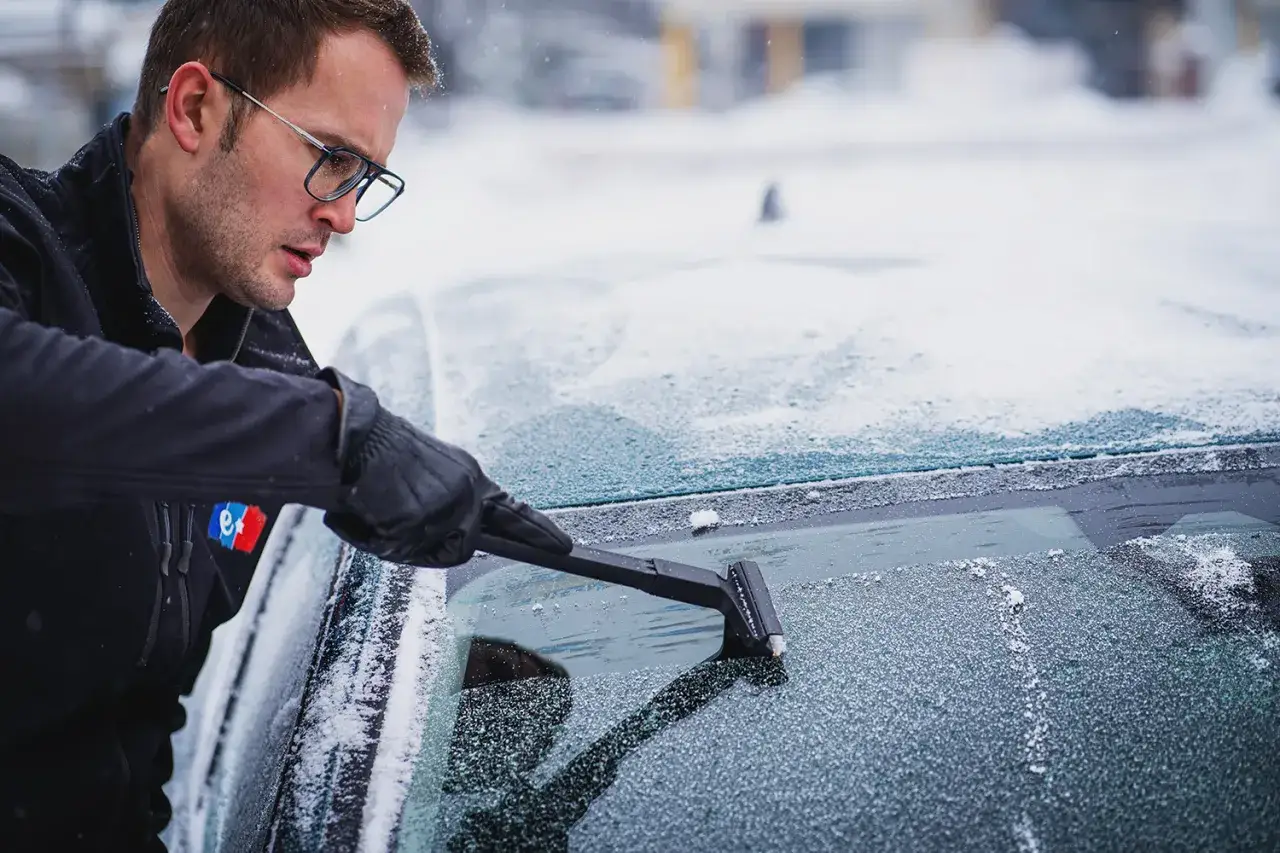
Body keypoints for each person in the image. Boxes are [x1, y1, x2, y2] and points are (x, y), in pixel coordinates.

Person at [0, 0, 573, 849]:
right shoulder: (20, 246)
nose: (343, 214)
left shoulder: (268, 364)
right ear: (195, 107)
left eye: (366, 178)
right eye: (330, 157)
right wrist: (327, 436)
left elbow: (130, 743)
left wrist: (451, 679)